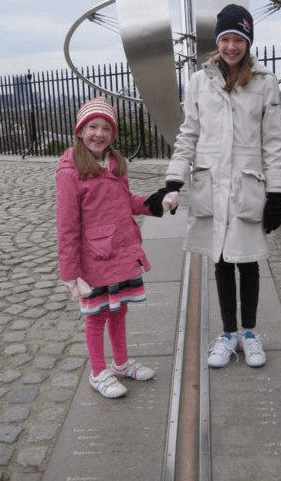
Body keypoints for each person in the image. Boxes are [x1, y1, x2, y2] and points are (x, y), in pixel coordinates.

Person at [145, 4, 281, 369]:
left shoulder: (265, 82)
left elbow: (273, 143)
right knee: (222, 260)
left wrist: (276, 195)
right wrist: (173, 180)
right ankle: (227, 334)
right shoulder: (198, 81)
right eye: (226, 38)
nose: (232, 46)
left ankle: (250, 333)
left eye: (239, 39)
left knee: (249, 261)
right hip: (211, 185)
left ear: (248, 42)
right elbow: (188, 135)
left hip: (247, 186)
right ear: (217, 42)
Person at [56, 97, 178, 398]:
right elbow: (67, 226)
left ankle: (121, 364)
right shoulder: (71, 171)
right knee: (96, 317)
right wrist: (70, 274)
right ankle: (98, 373)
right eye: (92, 127)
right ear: (80, 130)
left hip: (122, 252)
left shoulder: (115, 163)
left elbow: (126, 202)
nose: (99, 134)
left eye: (106, 128)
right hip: (95, 258)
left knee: (120, 311)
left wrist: (157, 203)